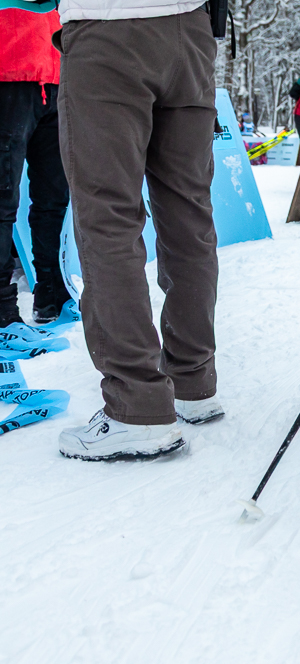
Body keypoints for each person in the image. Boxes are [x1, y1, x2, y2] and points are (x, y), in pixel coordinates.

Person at [54, 0, 224, 461]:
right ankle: (193, 382)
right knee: (189, 213)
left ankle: (137, 406)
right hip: (190, 31)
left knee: (108, 218)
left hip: (107, 30)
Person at [0, 6, 72, 327]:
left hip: (55, 73)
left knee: (54, 198)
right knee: (3, 201)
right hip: (8, 70)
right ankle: (3, 313)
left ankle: (53, 293)